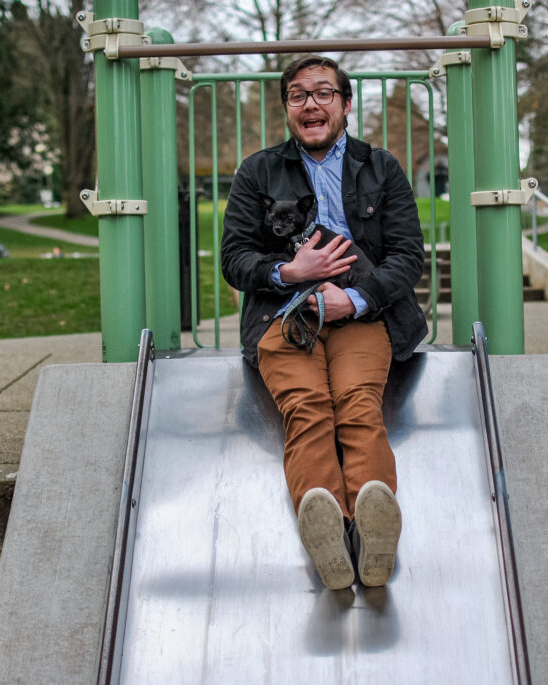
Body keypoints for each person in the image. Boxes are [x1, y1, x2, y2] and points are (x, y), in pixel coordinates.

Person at [220, 56, 427, 590]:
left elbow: (408, 257)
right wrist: (290, 271)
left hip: (360, 311)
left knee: (358, 403)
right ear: (287, 108)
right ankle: (329, 529)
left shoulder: (381, 168)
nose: (310, 103)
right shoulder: (257, 172)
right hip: (284, 315)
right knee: (307, 409)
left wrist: (353, 300)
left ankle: (372, 529)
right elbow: (235, 259)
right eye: (297, 95)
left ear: (345, 104)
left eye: (323, 93)